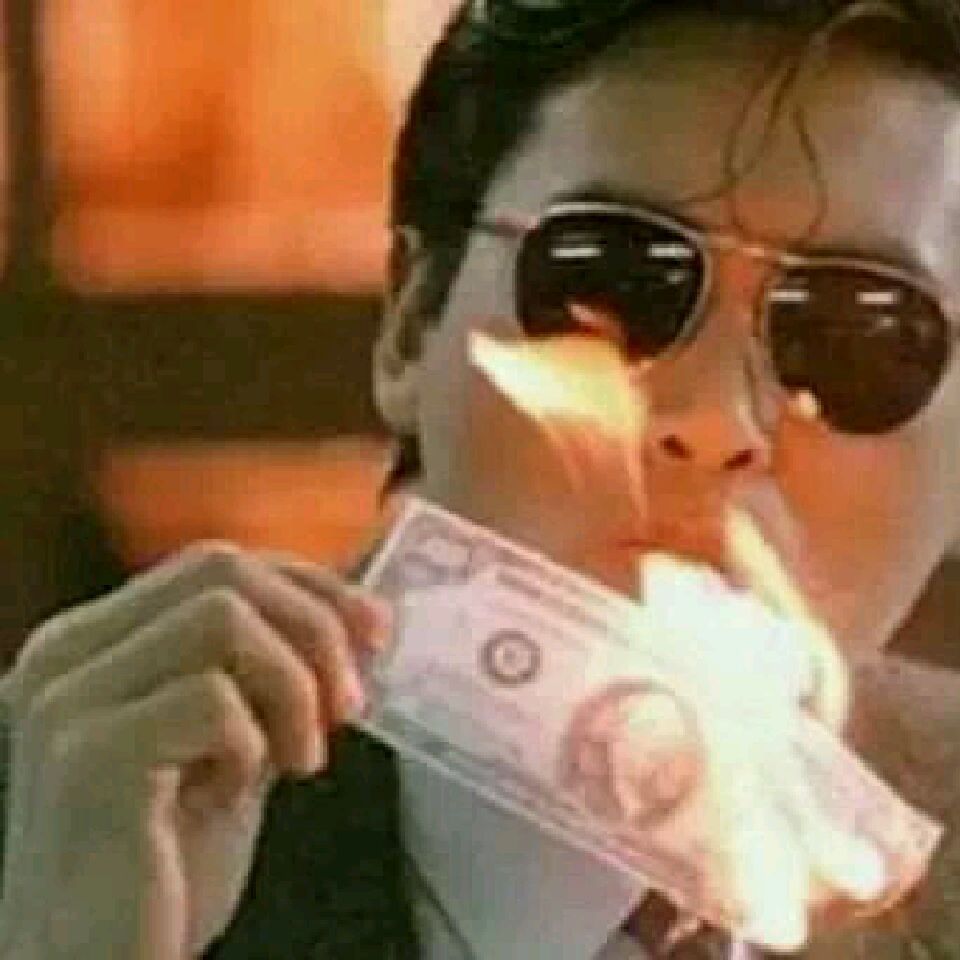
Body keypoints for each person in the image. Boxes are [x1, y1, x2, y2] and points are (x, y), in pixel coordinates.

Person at [2, 0, 960, 956]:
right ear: (413, 324)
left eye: (860, 334)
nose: (715, 422)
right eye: (610, 284)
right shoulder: (67, 805)